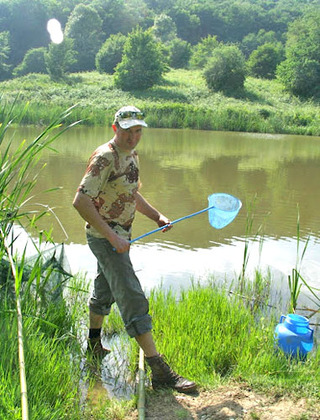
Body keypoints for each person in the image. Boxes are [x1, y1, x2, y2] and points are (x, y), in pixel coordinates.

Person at [73, 105, 196, 393]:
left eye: (138, 130)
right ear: (116, 129)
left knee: (104, 288)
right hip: (106, 239)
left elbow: (131, 192)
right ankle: (159, 369)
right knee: (131, 293)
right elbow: (80, 201)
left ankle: (92, 344)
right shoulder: (105, 157)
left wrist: (157, 216)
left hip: (120, 237)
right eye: (128, 131)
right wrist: (112, 238)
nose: (134, 137)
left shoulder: (132, 156)